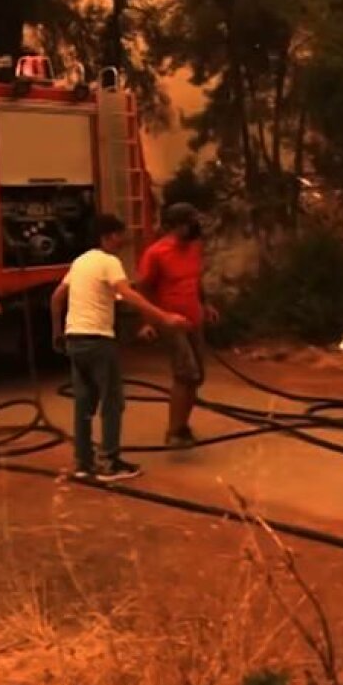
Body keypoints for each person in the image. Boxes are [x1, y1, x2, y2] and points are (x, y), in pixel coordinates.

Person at [51, 213, 189, 481]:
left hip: (75, 340)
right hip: (98, 341)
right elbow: (127, 293)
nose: (123, 240)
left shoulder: (80, 262)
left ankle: (83, 464)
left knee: (83, 404)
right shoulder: (109, 262)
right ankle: (110, 463)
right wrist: (164, 317)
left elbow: (57, 298)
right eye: (119, 235)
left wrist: (58, 334)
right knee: (112, 401)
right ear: (107, 237)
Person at [136, 202, 219, 448]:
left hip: (194, 319)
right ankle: (173, 432)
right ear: (174, 226)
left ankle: (182, 428)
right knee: (185, 374)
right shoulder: (156, 253)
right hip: (170, 322)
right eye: (189, 222)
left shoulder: (194, 247)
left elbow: (195, 280)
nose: (195, 227)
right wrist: (149, 321)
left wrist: (206, 304)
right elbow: (143, 288)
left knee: (197, 376)